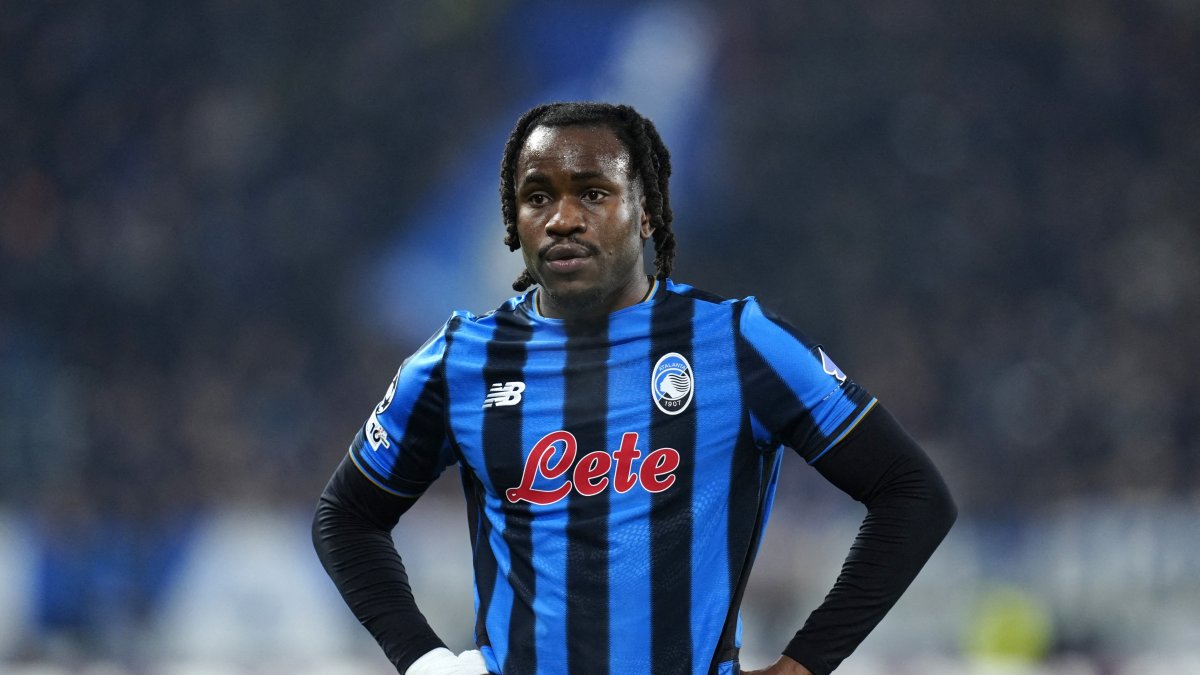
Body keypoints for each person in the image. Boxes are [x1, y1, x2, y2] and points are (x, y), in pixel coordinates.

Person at [313, 102, 956, 675]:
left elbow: (913, 495)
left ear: (647, 213)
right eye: (538, 197)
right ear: (515, 220)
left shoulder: (739, 344)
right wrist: (426, 663)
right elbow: (344, 518)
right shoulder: (461, 361)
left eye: (593, 193)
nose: (563, 218)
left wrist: (805, 664)